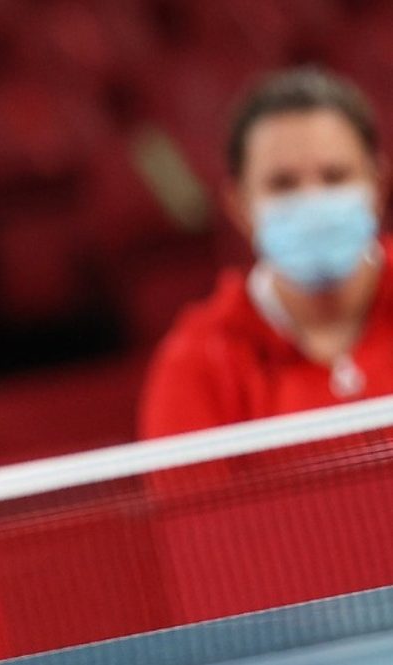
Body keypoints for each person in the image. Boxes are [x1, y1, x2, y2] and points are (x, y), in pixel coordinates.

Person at [141, 67, 393, 439]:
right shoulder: (196, 363)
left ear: (377, 186)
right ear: (239, 207)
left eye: (335, 176)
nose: (312, 201)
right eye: (283, 184)